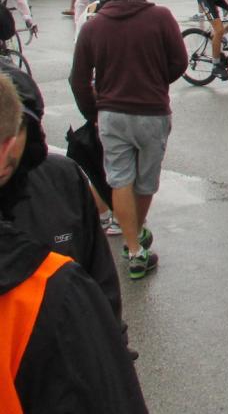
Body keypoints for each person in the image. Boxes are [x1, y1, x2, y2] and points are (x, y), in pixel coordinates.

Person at [0, 89, 148, 413]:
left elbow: (102, 281)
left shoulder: (61, 179)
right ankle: (135, 244)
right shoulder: (46, 286)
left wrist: (112, 341)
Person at [69, 0, 186, 281]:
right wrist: (157, 81)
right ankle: (137, 232)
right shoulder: (160, 17)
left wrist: (93, 112)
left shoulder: (93, 26)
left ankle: (133, 248)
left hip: (111, 114)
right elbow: (180, 61)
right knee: (145, 181)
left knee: (119, 179)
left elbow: (78, 78)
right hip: (152, 111)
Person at [0, 68, 126, 342]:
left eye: (14, 129)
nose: (4, 149)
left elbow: (101, 279)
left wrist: (115, 348)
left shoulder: (63, 177)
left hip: (70, 356)